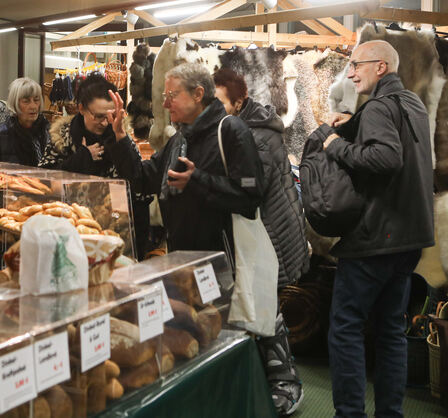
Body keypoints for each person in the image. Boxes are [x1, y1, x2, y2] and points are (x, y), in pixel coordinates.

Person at [323, 40, 434, 417]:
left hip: (376, 239)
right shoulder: (413, 104)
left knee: (345, 329)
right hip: (410, 238)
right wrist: (352, 123)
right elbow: (397, 145)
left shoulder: (378, 108)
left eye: (356, 65)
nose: (350, 72)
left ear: (380, 67)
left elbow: (386, 157)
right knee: (390, 332)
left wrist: (336, 144)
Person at [214, 68, 308, 416]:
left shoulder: (256, 136)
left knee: (266, 309)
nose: (215, 109)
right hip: (259, 234)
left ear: (238, 102)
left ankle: (287, 383)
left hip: (271, 235)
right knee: (259, 307)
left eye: (220, 102)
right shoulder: (242, 128)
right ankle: (271, 380)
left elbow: (249, 189)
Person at [108, 62, 264, 256]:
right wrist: (120, 136)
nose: (165, 104)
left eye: (171, 96)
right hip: (183, 260)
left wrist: (197, 180)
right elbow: (142, 179)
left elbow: (250, 193)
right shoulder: (179, 139)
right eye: (165, 97)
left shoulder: (231, 131)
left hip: (223, 265)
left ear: (198, 94)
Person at [39, 74, 152, 260]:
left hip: (117, 235)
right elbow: (44, 180)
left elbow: (138, 185)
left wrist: (121, 139)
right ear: (81, 108)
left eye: (110, 115)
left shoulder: (120, 135)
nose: (105, 122)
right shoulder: (62, 137)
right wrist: (82, 157)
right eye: (98, 116)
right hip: (72, 230)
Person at [0, 77, 49, 166]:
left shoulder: (49, 132)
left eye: (36, 100)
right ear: (15, 103)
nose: (33, 106)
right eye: (26, 101)